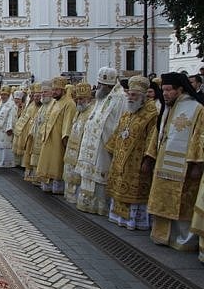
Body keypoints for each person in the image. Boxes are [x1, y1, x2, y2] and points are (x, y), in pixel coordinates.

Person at [146, 72, 204, 251]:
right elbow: (159, 134)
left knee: (182, 202)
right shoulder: (167, 107)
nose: (165, 93)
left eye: (169, 90)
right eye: (163, 90)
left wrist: (197, 163)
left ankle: (182, 239)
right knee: (163, 199)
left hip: (184, 167)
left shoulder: (197, 108)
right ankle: (163, 236)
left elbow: (199, 137)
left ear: (180, 89)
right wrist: (150, 156)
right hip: (163, 164)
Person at [104, 76, 157, 230]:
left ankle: (134, 221)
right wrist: (111, 149)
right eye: (129, 94)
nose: (130, 98)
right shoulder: (128, 112)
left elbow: (153, 138)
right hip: (121, 159)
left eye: (134, 95)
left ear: (143, 96)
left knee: (135, 191)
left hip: (138, 161)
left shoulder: (152, 114)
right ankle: (119, 217)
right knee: (120, 187)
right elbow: (119, 131)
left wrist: (148, 160)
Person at [75, 67, 126, 215]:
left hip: (104, 145)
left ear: (110, 85)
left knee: (100, 175)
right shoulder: (100, 97)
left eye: (103, 85)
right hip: (92, 143)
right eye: (99, 83)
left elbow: (119, 122)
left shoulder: (120, 98)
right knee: (89, 174)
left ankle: (100, 206)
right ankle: (87, 204)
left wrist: (112, 144)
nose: (100, 87)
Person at [37, 76, 75, 193]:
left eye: (56, 90)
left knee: (56, 164)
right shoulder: (54, 102)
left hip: (58, 140)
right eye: (53, 90)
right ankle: (48, 184)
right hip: (49, 138)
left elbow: (67, 123)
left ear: (63, 90)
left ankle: (58, 186)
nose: (53, 92)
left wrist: (65, 138)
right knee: (48, 163)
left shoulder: (69, 103)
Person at [62, 82, 94, 204]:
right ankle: (70, 196)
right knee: (70, 173)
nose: (79, 101)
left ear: (89, 99)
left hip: (81, 149)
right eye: (78, 99)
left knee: (77, 176)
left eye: (82, 99)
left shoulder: (91, 112)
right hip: (72, 149)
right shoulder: (79, 111)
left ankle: (77, 198)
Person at [13, 84, 41, 169]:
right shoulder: (31, 104)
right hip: (25, 128)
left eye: (35, 95)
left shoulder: (40, 105)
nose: (32, 97)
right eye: (31, 95)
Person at [0, 85, 17, 168]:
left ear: (9, 95)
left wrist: (10, 128)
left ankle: (6, 162)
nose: (3, 96)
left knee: (5, 145)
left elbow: (12, 117)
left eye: (5, 95)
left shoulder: (12, 105)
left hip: (5, 129)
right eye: (2, 94)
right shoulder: (0, 105)